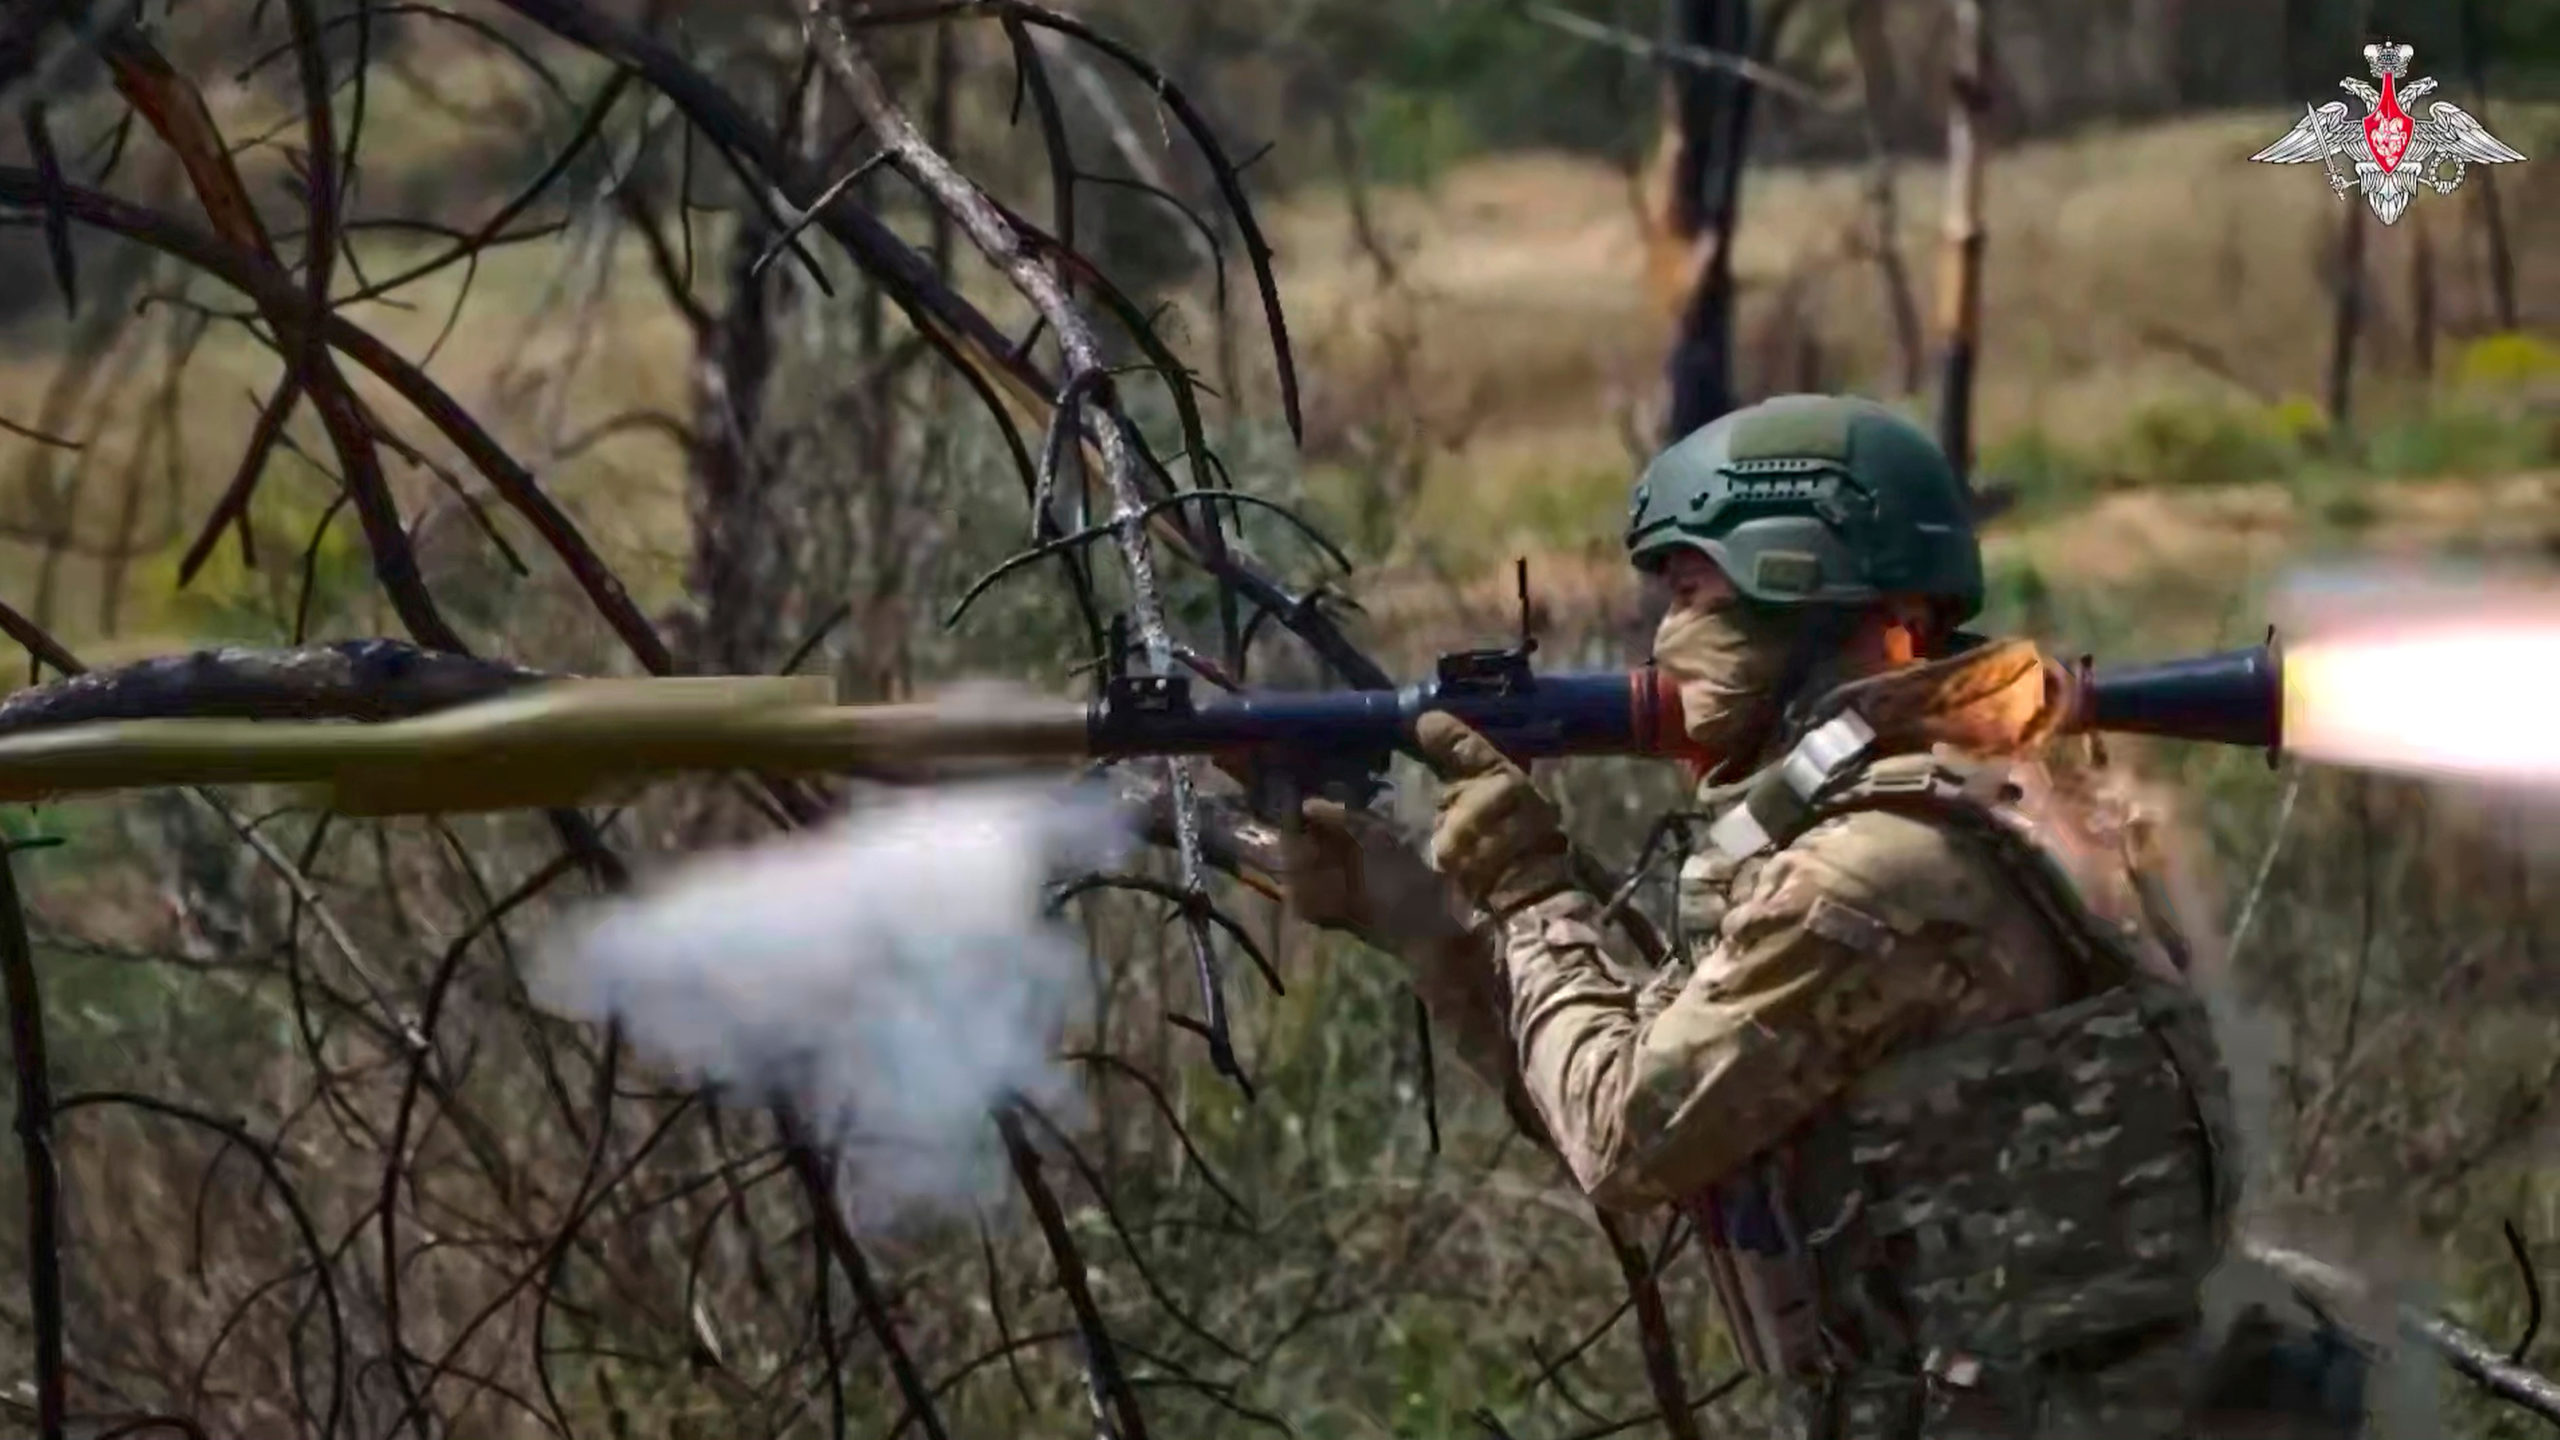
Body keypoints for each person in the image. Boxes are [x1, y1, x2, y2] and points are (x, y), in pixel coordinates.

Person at [1272, 394, 2366, 1439]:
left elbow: (1627, 1135)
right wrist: (1429, 927)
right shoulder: (1997, 803)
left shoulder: (1870, 876)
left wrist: (1526, 889)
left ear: (1797, 588)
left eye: (1691, 593)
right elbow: (1661, 1106)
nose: (1663, 641)